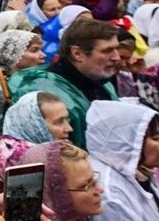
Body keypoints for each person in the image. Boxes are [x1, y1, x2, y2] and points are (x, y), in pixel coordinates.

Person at [8, 16, 120, 148]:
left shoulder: (102, 81)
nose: (116, 57)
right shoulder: (41, 93)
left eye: (116, 48)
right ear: (77, 53)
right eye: (107, 50)